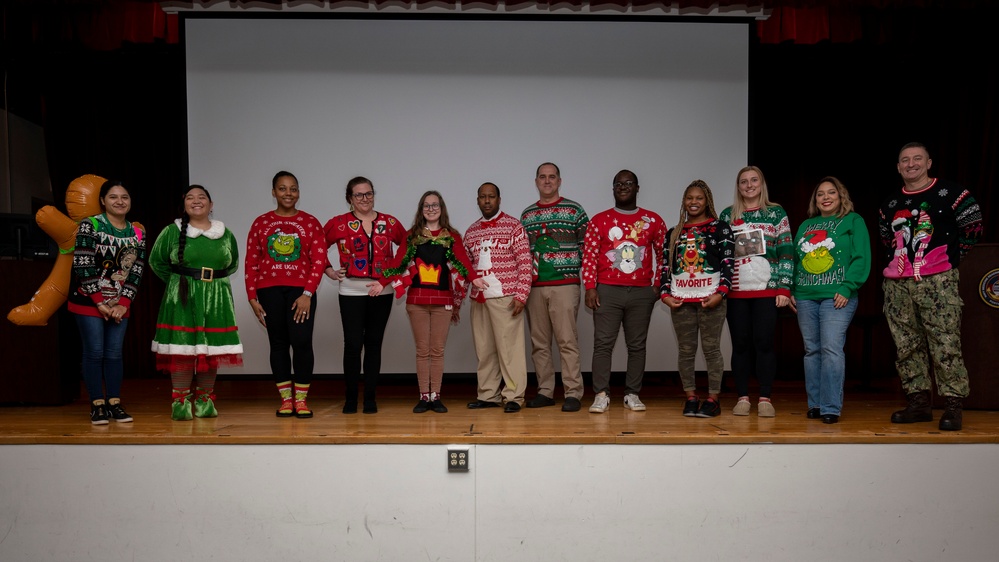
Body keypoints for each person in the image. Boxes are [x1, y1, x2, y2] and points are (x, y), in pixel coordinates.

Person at [879, 142, 982, 431]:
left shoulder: (953, 194)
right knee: (906, 345)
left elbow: (972, 229)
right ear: (898, 167)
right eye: (904, 160)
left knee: (945, 341)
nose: (911, 164)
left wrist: (946, 262)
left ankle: (952, 405)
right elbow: (888, 240)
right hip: (898, 284)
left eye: (917, 159)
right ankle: (919, 403)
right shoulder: (888, 204)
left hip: (937, 281)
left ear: (928, 163)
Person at [381, 191, 487, 414]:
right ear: (421, 210)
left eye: (435, 205)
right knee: (422, 351)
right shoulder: (411, 236)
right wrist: (381, 283)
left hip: (443, 302)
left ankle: (436, 396)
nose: (431, 209)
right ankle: (423, 397)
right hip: (416, 301)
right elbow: (398, 263)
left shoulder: (452, 236)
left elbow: (463, 262)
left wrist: (474, 278)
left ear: (442, 208)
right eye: (426, 206)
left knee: (437, 351)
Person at [149, 185, 243, 421]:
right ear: (184, 205)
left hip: (217, 299)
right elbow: (155, 261)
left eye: (202, 197)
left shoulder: (225, 233)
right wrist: (177, 283)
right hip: (182, 299)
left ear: (211, 205)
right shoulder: (171, 231)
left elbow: (232, 265)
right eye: (190, 197)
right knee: (182, 350)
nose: (196, 201)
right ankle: (180, 404)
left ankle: (204, 402)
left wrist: (211, 286)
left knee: (210, 352)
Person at [582, 170, 666, 413]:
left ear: (638, 188)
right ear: (613, 188)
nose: (623, 187)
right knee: (603, 344)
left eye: (629, 183)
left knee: (637, 345)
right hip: (607, 290)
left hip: (642, 292)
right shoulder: (599, 220)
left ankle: (632, 393)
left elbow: (663, 255)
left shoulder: (654, 221)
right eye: (618, 183)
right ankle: (601, 394)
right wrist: (590, 287)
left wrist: (657, 286)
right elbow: (589, 256)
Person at [245, 171, 327, 419]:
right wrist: (252, 298)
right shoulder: (260, 222)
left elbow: (319, 260)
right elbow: (252, 262)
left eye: (293, 189)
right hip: (268, 292)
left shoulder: (311, 223)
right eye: (282, 188)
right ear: (273, 192)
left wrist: (307, 294)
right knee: (278, 345)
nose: (288, 193)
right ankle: (286, 400)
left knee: (302, 343)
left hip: (300, 292)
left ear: (299, 193)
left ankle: (301, 401)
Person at [790, 177, 870, 424]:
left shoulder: (853, 221)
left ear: (841, 196)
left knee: (831, 349)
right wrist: (791, 288)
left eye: (831, 193)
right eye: (820, 194)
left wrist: (848, 287)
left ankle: (830, 407)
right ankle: (814, 404)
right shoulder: (806, 225)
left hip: (837, 296)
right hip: (805, 296)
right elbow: (794, 258)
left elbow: (861, 257)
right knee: (812, 351)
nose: (825, 197)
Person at [323, 176, 406, 414]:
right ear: (350, 198)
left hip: (382, 291)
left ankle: (370, 398)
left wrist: (388, 278)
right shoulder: (338, 223)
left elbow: (407, 247)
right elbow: (316, 245)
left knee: (373, 344)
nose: (365, 199)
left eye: (369, 193)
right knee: (352, 345)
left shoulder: (389, 222)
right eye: (359, 195)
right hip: (350, 289)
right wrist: (327, 269)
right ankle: (350, 398)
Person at [68, 180, 146, 424]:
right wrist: (100, 302)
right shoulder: (90, 225)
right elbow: (83, 263)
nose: (119, 201)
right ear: (103, 200)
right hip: (88, 301)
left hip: (120, 304)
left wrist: (124, 303)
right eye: (113, 197)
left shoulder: (137, 232)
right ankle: (97, 404)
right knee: (95, 352)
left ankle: (114, 402)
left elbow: (136, 270)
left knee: (114, 354)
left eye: (124, 196)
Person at [719, 166, 793, 417]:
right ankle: (742, 397)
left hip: (767, 291)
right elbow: (721, 255)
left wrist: (784, 287)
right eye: (743, 182)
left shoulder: (775, 213)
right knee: (740, 345)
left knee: (764, 344)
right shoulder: (727, 215)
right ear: (738, 187)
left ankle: (765, 397)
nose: (749, 185)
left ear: (762, 184)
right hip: (736, 292)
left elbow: (786, 251)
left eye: (754, 180)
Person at [660, 180, 733, 418]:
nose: (693, 202)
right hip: (680, 301)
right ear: (684, 202)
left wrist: (721, 294)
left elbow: (728, 264)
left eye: (699, 198)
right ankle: (690, 397)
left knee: (712, 350)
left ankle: (713, 398)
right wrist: (665, 295)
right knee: (686, 351)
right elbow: (664, 267)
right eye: (689, 198)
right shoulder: (674, 233)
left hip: (711, 299)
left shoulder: (720, 228)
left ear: (707, 201)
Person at [520, 162, 589, 412]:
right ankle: (545, 391)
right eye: (542, 177)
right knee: (539, 343)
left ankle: (573, 392)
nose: (547, 181)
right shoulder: (527, 216)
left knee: (566, 340)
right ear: (536, 181)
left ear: (559, 181)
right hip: (535, 288)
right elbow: (522, 253)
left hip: (565, 285)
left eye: (552, 177)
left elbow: (588, 247)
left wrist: (570, 267)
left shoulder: (574, 210)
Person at [463, 182, 533, 413]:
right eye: (482, 197)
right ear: (477, 200)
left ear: (499, 199)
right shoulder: (471, 231)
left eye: (491, 196)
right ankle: (488, 394)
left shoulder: (514, 226)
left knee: (509, 350)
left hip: (506, 297)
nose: (487, 201)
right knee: (484, 349)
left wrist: (522, 295)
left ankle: (514, 395)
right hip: (479, 298)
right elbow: (465, 267)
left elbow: (525, 262)